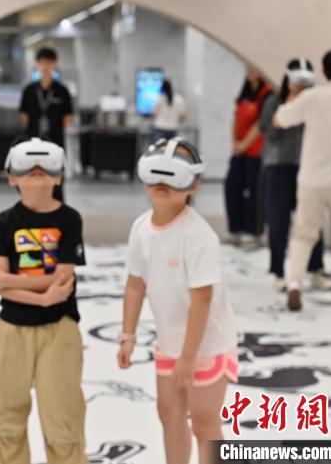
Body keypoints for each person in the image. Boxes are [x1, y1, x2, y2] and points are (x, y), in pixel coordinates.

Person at [118, 138, 238, 464]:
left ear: (194, 184)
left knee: (204, 421)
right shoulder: (141, 228)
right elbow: (135, 284)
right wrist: (128, 335)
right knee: (169, 415)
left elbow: (203, 299)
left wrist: (189, 356)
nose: (162, 184)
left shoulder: (198, 235)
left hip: (207, 346)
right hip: (169, 345)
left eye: (173, 177)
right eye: (155, 175)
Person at [0, 137, 87, 464]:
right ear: (12, 178)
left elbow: (62, 278)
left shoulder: (70, 219)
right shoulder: (4, 222)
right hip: (11, 330)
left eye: (46, 167)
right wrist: (42, 298)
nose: (37, 171)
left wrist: (8, 280)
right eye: (27, 167)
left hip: (60, 329)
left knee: (63, 421)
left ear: (59, 176)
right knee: (7, 422)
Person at [274, 48, 331, 310]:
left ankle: (295, 283)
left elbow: (280, 120)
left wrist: (293, 94)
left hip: (311, 178)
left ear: (324, 71)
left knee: (303, 235)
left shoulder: (313, 97)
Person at [259, 58, 331, 293]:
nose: (302, 87)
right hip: (278, 167)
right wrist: (289, 106)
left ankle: (316, 269)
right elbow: (268, 133)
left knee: (311, 221)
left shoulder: (316, 102)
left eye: (306, 82)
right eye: (297, 81)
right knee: (278, 220)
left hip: (309, 168)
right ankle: (278, 272)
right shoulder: (274, 101)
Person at [224, 67, 272, 246]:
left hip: (257, 152)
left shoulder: (267, 93)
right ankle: (236, 229)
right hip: (240, 151)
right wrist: (235, 143)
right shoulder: (245, 91)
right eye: (248, 68)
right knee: (232, 187)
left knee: (255, 192)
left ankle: (254, 231)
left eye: (253, 68)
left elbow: (261, 123)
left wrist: (244, 144)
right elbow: (236, 117)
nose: (250, 71)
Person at [19, 47, 74, 201]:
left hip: (55, 142)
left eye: (49, 63)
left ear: (54, 64)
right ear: (37, 64)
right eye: (42, 62)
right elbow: (24, 115)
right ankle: (33, 205)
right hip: (33, 142)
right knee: (32, 176)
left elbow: (68, 117)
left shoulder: (62, 90)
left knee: (56, 179)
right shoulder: (29, 90)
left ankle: (57, 207)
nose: (45, 66)